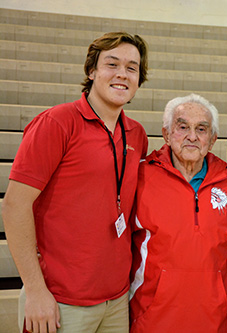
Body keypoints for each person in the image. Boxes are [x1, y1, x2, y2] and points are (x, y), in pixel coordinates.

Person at [2, 32, 149, 333]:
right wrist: (35, 290)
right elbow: (15, 205)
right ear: (92, 71)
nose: (122, 74)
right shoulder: (57, 123)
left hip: (117, 300)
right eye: (112, 64)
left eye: (132, 67)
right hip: (60, 301)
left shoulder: (137, 134)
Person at [129, 93, 227, 332]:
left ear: (212, 139)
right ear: (167, 134)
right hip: (151, 319)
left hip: (214, 320)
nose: (192, 136)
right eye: (182, 127)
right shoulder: (140, 176)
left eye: (201, 129)